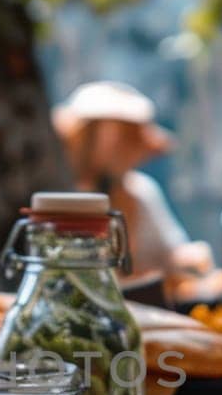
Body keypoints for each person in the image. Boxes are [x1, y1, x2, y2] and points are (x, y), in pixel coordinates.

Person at [52, 81, 194, 283]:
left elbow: (174, 253)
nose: (116, 145)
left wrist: (184, 263)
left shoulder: (142, 191)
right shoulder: (60, 197)